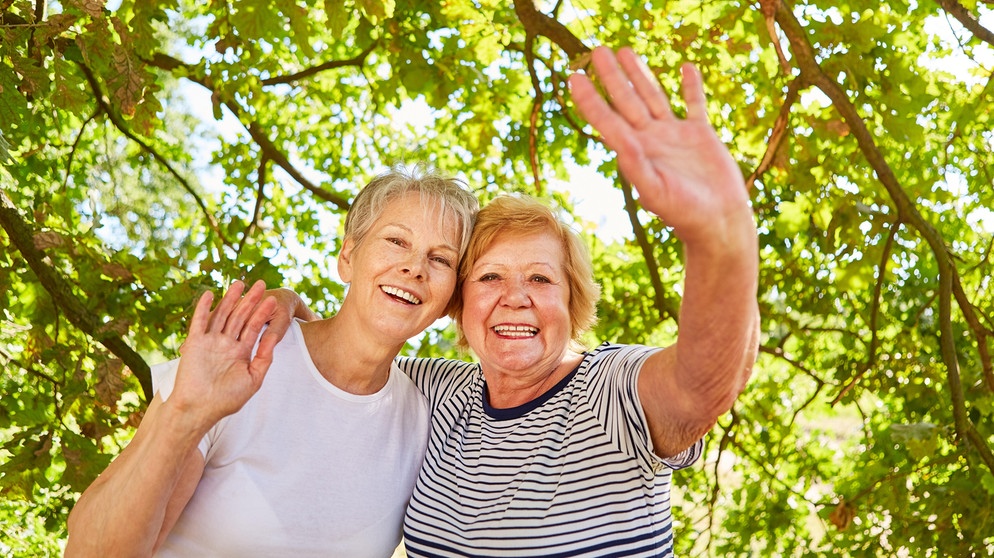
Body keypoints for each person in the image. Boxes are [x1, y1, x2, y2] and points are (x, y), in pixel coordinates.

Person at [269, 46, 760, 557]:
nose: (515, 298)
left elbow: (702, 384)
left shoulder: (609, 390)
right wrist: (285, 308)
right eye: (489, 277)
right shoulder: (438, 393)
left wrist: (720, 240)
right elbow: (352, 348)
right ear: (458, 302)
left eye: (542, 279)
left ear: (573, 301)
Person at [65, 167, 480, 557]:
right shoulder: (240, 355)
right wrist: (184, 417)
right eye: (396, 241)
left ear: (450, 300)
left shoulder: (428, 416)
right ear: (348, 257)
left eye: (440, 259)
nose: (415, 267)